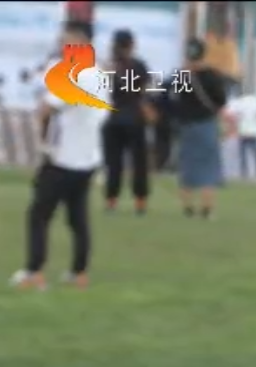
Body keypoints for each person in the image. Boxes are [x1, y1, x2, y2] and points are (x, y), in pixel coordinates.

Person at [10, 20, 108, 291]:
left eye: (66, 41)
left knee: (39, 214)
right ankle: (79, 272)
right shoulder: (98, 74)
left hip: (64, 157)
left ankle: (34, 271)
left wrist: (42, 133)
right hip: (88, 156)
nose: (62, 46)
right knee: (78, 218)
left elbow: (46, 108)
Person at [172, 38, 227, 219]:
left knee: (187, 165)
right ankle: (207, 208)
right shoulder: (212, 75)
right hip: (206, 124)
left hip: (187, 125)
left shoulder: (182, 75)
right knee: (208, 167)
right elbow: (221, 100)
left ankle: (188, 207)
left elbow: (176, 100)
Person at [102, 29, 153, 215]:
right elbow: (146, 91)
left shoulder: (109, 67)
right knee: (139, 163)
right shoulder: (138, 66)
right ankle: (140, 202)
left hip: (112, 118)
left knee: (113, 163)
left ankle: (111, 201)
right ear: (131, 45)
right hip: (135, 118)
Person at [225, 91, 256, 181]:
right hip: (254, 130)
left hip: (243, 130)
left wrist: (237, 122)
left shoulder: (240, 102)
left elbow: (234, 114)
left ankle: (244, 172)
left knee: (243, 153)